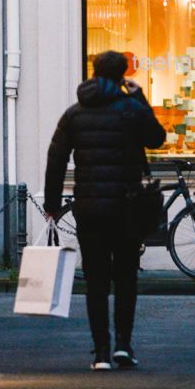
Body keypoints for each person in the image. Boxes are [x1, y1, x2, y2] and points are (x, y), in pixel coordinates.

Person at [44, 50, 166, 371]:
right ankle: (124, 345)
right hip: (126, 208)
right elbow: (157, 138)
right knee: (126, 278)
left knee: (96, 281)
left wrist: (52, 205)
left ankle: (100, 353)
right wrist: (140, 98)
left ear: (94, 73)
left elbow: (55, 160)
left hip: (88, 208)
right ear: (122, 75)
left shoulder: (74, 113)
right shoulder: (131, 110)